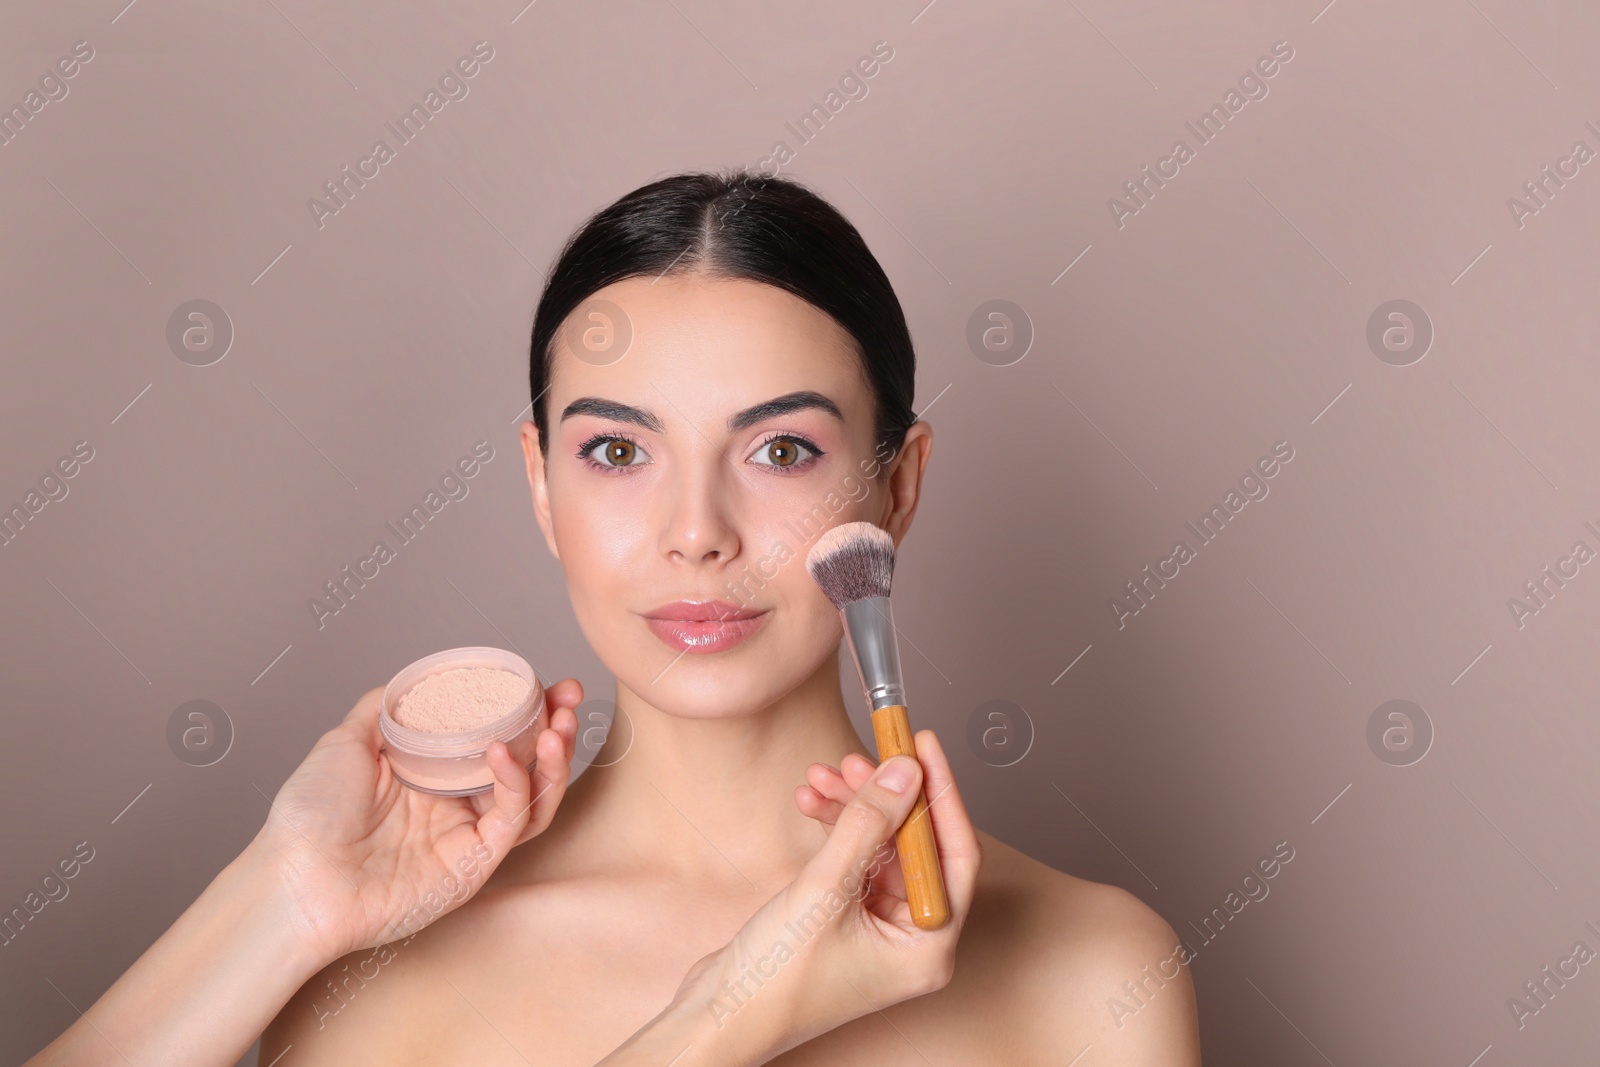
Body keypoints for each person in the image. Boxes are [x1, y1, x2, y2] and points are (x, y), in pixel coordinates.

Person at [24, 171, 1200, 1066]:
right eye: (617, 450)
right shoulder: (374, 975)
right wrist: (289, 893)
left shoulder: (1091, 969)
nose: (696, 529)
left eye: (782, 449)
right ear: (542, 484)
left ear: (898, 486)